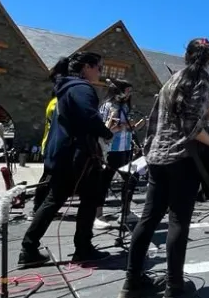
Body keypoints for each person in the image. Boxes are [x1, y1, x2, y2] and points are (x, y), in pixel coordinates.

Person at [119, 38, 209, 298]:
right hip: (181, 159)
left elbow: (153, 122)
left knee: (148, 218)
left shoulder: (170, 82)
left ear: (185, 55)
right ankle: (174, 288)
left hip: (156, 158)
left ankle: (131, 282)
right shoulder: (199, 81)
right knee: (178, 221)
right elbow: (191, 127)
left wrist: (152, 152)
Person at [19, 52, 114, 267]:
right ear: (87, 67)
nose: (100, 73)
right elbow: (89, 116)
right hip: (77, 155)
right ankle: (82, 248)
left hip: (64, 153)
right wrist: (106, 132)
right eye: (99, 68)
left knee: (55, 199)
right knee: (89, 199)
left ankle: (29, 248)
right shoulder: (81, 88)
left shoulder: (66, 88)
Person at [31, 56, 71, 219]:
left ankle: (40, 207)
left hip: (49, 143)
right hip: (52, 144)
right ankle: (39, 208)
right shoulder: (57, 103)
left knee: (48, 178)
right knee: (48, 178)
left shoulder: (53, 101)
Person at [94, 79, 136, 229]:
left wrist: (132, 127)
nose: (130, 93)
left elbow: (125, 127)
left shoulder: (124, 106)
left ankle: (126, 212)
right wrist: (121, 126)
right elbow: (106, 129)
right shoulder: (108, 106)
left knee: (130, 179)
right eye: (127, 90)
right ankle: (98, 214)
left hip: (125, 148)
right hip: (111, 149)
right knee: (104, 182)